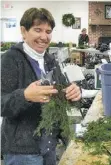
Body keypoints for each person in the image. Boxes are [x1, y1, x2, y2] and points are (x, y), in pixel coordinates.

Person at [1, 8, 82, 165]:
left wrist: (74, 93)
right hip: (23, 152)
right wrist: (25, 95)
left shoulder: (50, 60)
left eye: (48, 31)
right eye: (38, 30)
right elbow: (1, 103)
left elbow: (63, 93)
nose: (44, 37)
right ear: (24, 31)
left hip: (49, 145)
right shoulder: (10, 60)